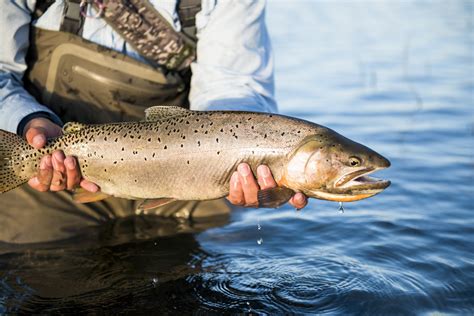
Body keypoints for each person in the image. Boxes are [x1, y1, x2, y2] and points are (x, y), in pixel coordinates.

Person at [0, 0, 307, 243]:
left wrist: (244, 159)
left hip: (185, 176)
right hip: (50, 173)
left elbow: (232, 87)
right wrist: (30, 121)